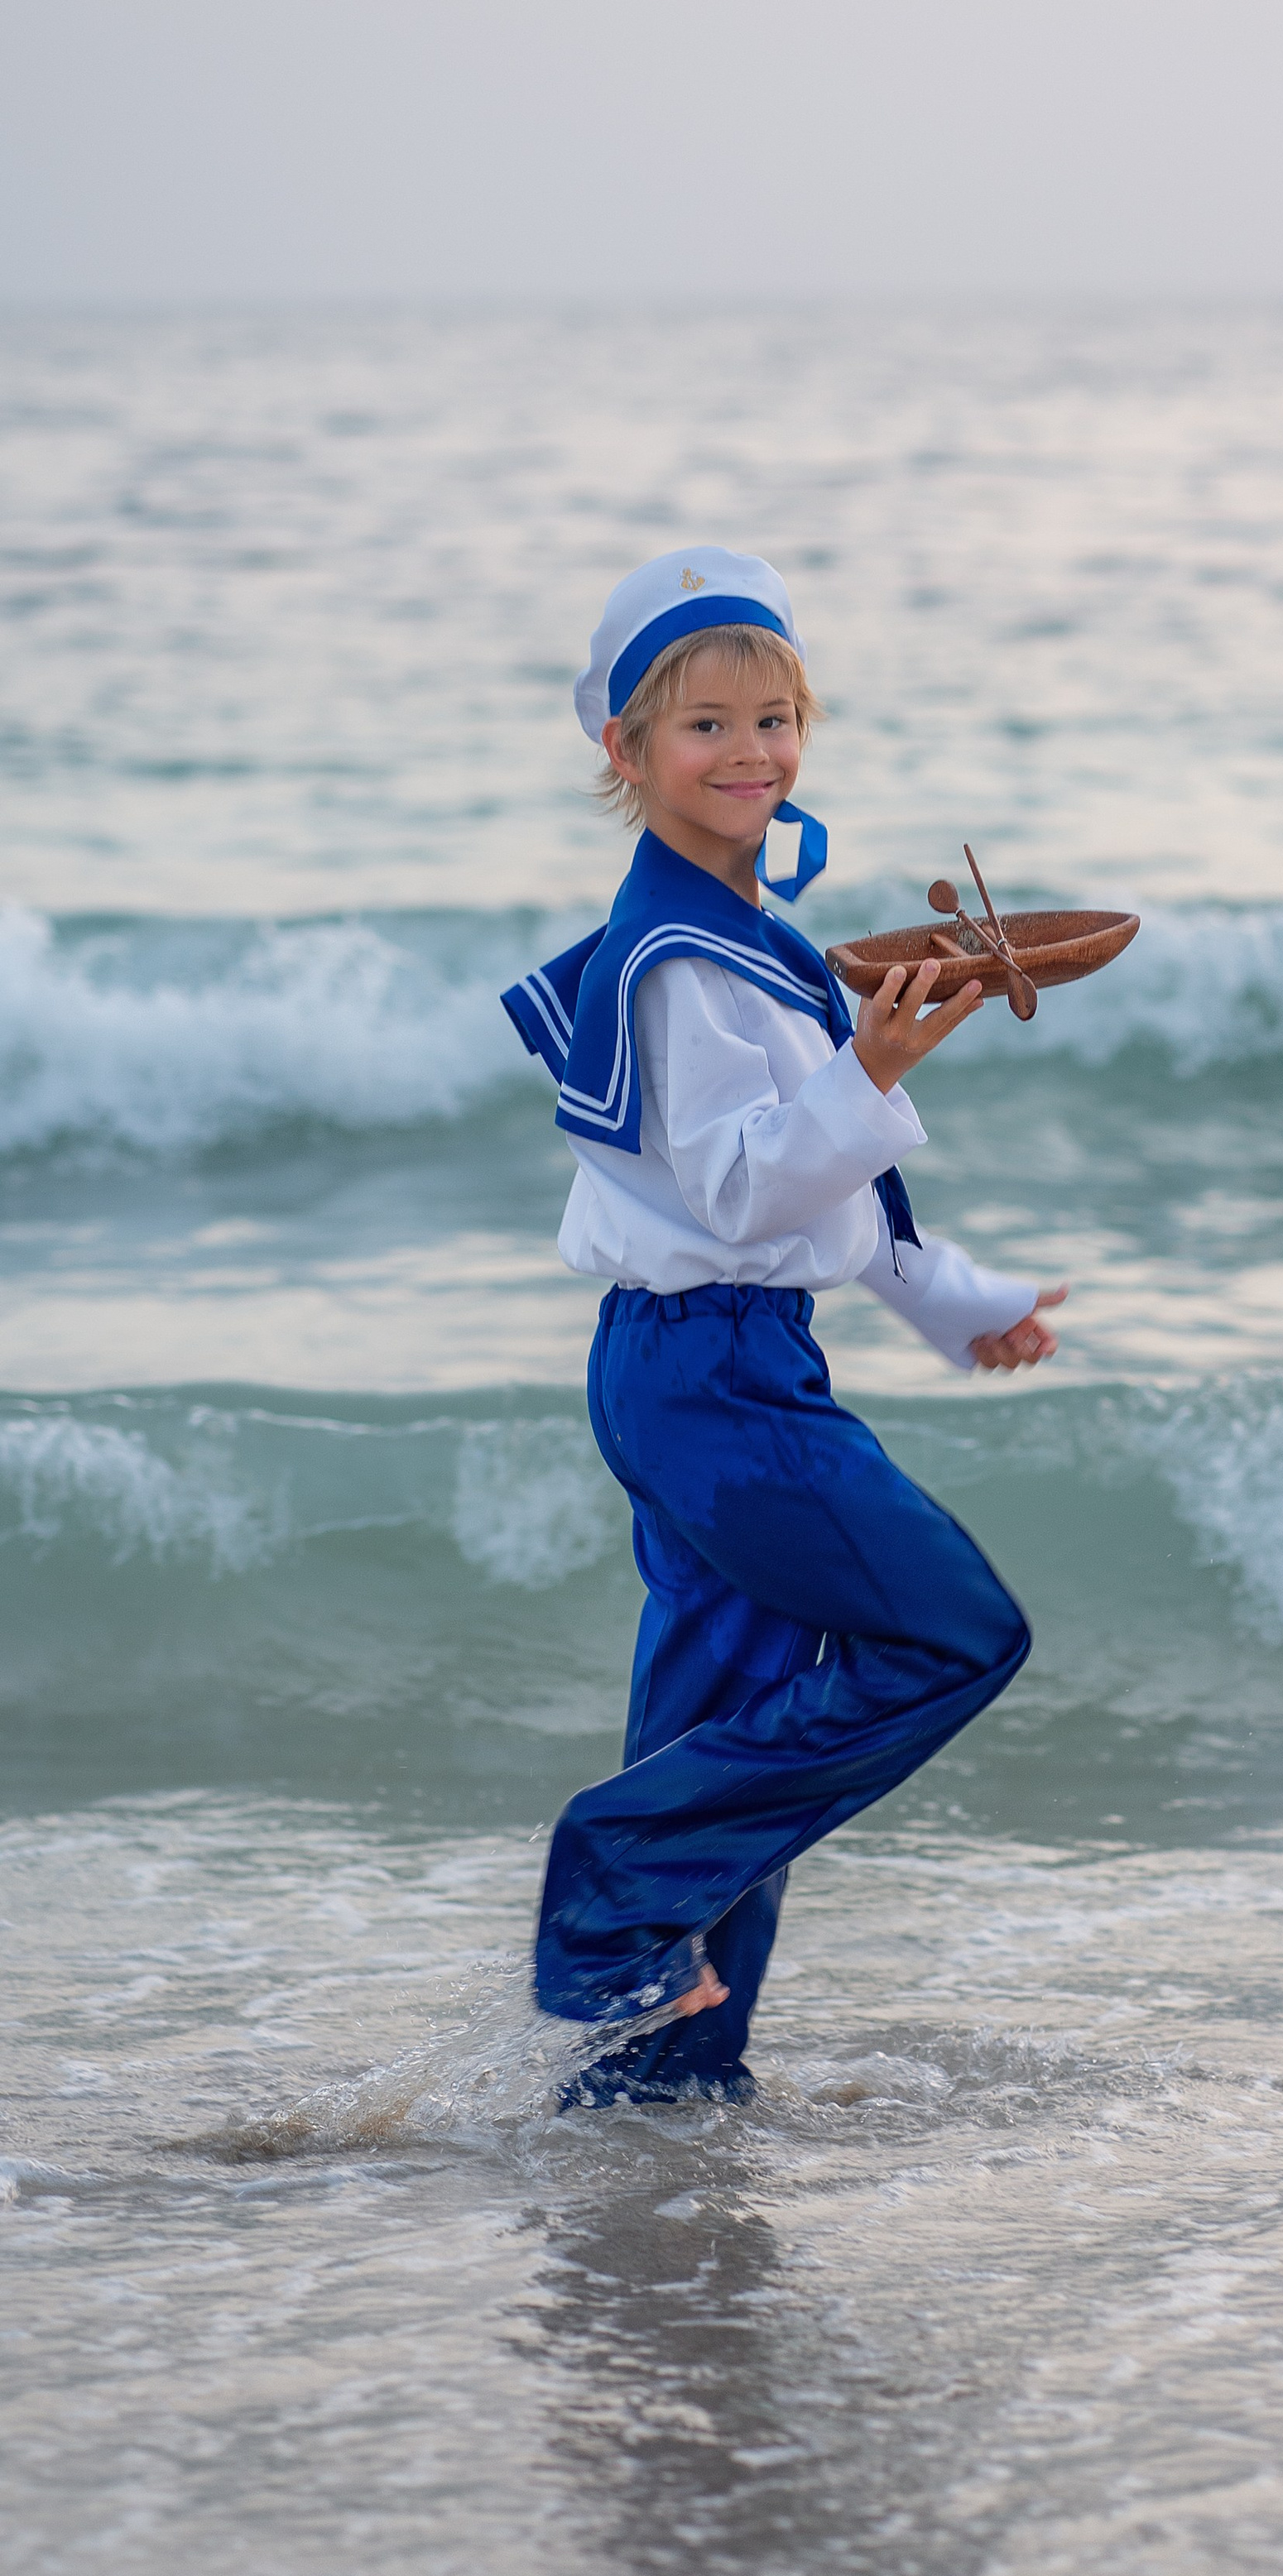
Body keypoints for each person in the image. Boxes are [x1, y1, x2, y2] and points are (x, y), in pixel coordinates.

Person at [502, 545, 1063, 2104]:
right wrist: (867, 1075)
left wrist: (963, 1308)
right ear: (625, 752)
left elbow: (824, 1217)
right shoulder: (679, 959)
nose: (752, 754)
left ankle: (659, 2095)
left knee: (737, 1720)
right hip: (710, 1377)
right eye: (706, 729)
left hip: (721, 1361)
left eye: (777, 720)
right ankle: (615, 1881)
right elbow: (749, 1194)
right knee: (957, 1632)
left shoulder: (746, 929)